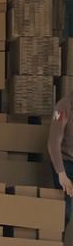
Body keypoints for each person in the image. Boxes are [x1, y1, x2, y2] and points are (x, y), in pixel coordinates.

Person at [48, 92, 73, 225]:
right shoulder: (63, 106)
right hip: (65, 162)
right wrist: (61, 173)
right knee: (65, 212)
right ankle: (58, 236)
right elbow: (53, 142)